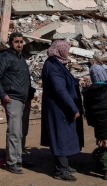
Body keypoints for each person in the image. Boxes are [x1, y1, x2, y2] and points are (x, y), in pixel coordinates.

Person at [0, 32, 34, 174]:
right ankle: (12, 162)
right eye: (16, 42)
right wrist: (3, 96)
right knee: (14, 132)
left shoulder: (21, 58)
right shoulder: (4, 58)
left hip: (24, 99)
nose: (19, 44)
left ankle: (19, 158)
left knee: (22, 132)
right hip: (13, 99)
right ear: (10, 42)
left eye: (21, 42)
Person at [40, 40, 82, 182]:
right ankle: (60, 170)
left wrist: (76, 82)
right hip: (58, 109)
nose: (68, 53)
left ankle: (64, 166)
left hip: (60, 108)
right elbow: (60, 90)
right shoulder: (53, 66)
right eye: (66, 50)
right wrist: (73, 108)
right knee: (60, 137)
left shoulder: (56, 63)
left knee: (64, 136)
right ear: (60, 50)